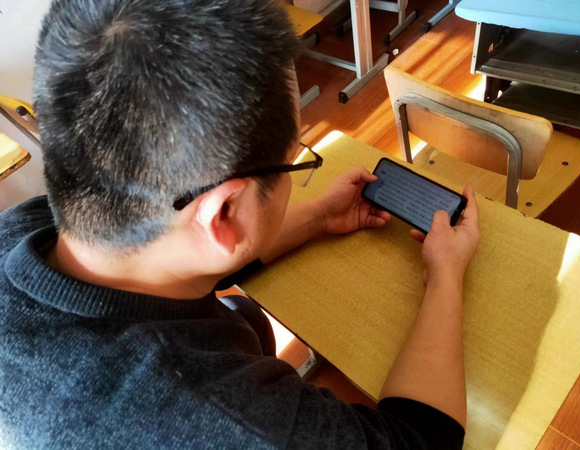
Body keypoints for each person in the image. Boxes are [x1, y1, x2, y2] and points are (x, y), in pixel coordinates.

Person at [0, 0, 480, 448]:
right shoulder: (225, 420)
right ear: (224, 214)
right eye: (296, 161)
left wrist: (318, 215)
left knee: (245, 318)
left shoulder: (30, 223)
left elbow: (177, 245)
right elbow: (421, 439)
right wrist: (445, 273)